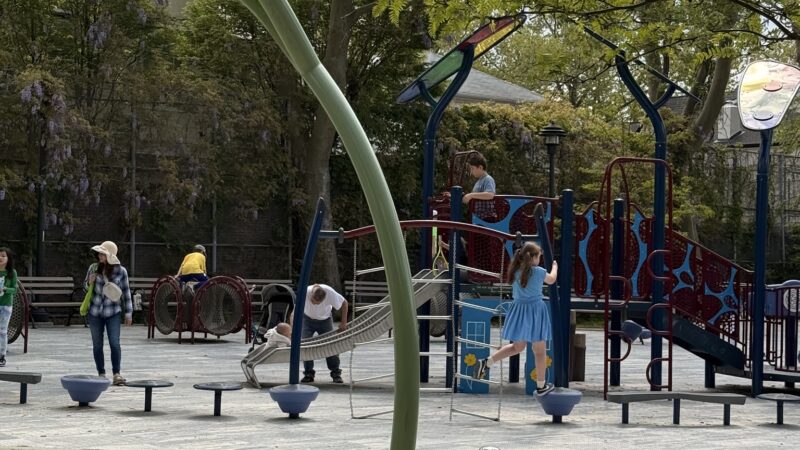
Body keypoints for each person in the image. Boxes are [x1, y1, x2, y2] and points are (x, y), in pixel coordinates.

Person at [473, 241, 558, 396]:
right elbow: (552, 280)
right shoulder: (538, 271)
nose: (540, 260)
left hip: (519, 310)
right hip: (535, 311)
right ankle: (541, 386)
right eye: (539, 256)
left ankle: (487, 362)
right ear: (532, 257)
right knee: (539, 351)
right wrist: (555, 267)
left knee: (516, 347)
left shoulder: (516, 271)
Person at [85, 241, 133, 386]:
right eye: (99, 253)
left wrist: (129, 312)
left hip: (113, 311)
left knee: (114, 342)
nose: (100, 256)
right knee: (97, 345)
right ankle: (101, 373)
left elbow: (126, 292)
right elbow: (85, 287)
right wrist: (89, 282)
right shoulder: (93, 268)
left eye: (103, 253)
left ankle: (117, 373)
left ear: (110, 256)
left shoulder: (121, 271)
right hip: (95, 311)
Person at [291, 283, 349, 383]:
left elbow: (344, 303)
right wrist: (293, 330)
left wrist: (344, 322)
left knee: (331, 345)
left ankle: (335, 373)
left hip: (325, 319)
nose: (316, 304)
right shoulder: (304, 293)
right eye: (313, 302)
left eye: (319, 303)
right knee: (305, 344)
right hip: (307, 319)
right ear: (311, 295)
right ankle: (309, 373)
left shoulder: (329, 292)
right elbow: (293, 313)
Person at [0, 247, 19, 368]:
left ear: (8, 259)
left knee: (2, 331)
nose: (0, 258)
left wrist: (6, 289)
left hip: (6, 305)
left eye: (3, 256)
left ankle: (2, 355)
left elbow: (15, 289)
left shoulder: (12, 273)